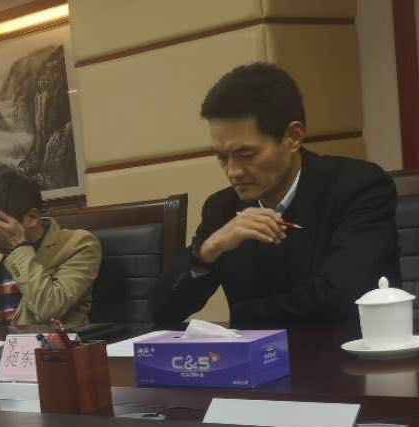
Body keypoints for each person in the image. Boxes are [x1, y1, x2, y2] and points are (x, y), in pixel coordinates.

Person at [150, 62, 400, 329]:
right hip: (256, 354)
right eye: (222, 157)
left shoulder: (357, 187)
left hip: (342, 350)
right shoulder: (222, 207)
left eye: (247, 154)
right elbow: (162, 312)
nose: (233, 172)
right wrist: (207, 253)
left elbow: (345, 297)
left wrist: (244, 317)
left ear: (293, 137)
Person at [0, 168, 101, 329]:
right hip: (0, 344)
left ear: (31, 217)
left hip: (55, 343)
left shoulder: (79, 244)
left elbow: (49, 309)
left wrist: (18, 248)